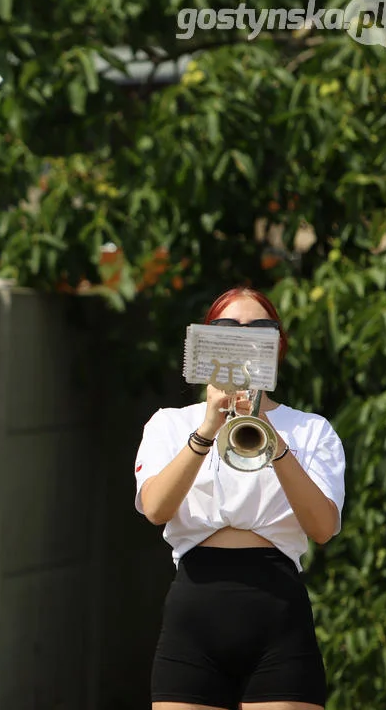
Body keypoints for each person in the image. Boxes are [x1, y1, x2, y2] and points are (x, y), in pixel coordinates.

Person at [134, 286, 345, 710]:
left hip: (277, 612)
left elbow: (323, 527)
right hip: (194, 613)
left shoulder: (311, 429)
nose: (244, 337)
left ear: (278, 345)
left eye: (260, 328)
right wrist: (207, 428)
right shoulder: (170, 423)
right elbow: (155, 508)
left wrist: (271, 436)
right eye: (228, 328)